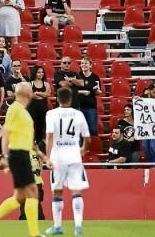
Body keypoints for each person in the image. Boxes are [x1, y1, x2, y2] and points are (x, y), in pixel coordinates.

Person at [0, 82, 40, 237]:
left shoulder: (23, 111)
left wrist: (38, 152)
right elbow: (6, 132)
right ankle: (34, 234)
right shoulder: (15, 108)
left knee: (20, 197)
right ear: (27, 93)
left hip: (23, 153)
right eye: (31, 89)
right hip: (18, 154)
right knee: (33, 191)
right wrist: (5, 155)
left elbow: (22, 134)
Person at [45, 87, 91, 236]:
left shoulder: (51, 114)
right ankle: (78, 226)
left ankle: (57, 226)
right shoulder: (78, 114)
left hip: (57, 156)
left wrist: (47, 157)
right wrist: (83, 148)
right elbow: (88, 138)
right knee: (76, 190)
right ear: (71, 99)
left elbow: (50, 137)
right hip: (73, 155)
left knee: (57, 191)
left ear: (57, 99)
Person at [76, 57, 101, 137]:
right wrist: (82, 92)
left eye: (86, 63)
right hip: (79, 107)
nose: (83, 65)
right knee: (79, 130)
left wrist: (96, 90)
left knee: (93, 129)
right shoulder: (77, 76)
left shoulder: (95, 77)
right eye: (82, 63)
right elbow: (73, 91)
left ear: (90, 65)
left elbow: (98, 93)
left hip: (91, 107)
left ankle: (93, 148)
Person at [28, 66, 51, 144]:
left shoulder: (46, 84)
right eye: (39, 72)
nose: (41, 74)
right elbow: (31, 95)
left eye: (42, 72)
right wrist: (42, 95)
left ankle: (40, 146)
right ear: (35, 73)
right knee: (30, 128)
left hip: (43, 109)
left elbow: (48, 94)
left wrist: (38, 93)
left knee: (41, 129)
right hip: (32, 109)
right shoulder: (30, 83)